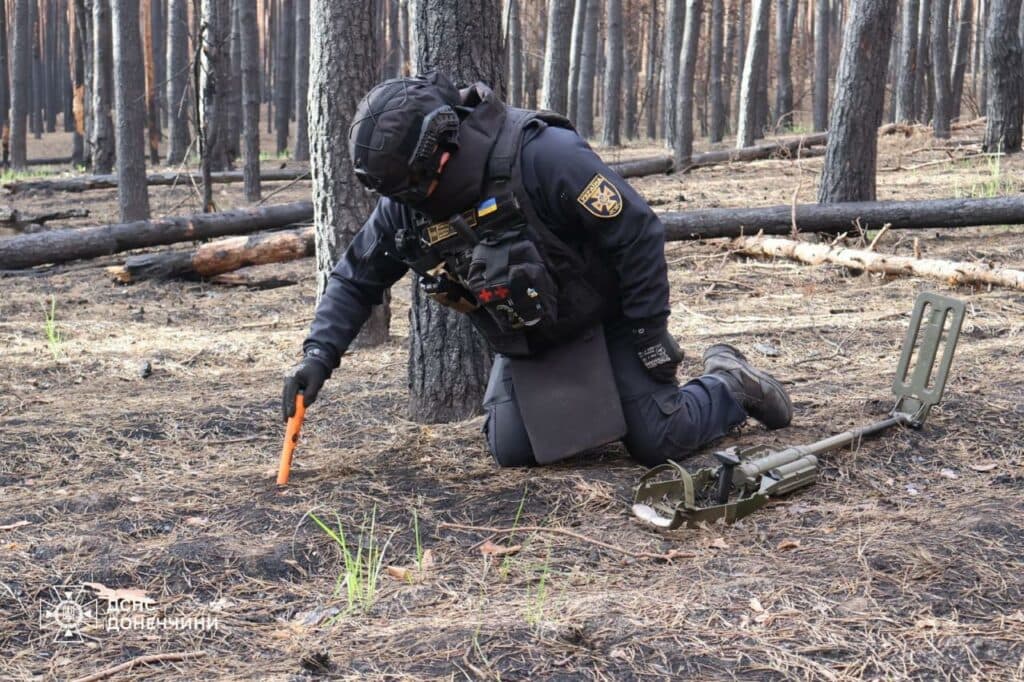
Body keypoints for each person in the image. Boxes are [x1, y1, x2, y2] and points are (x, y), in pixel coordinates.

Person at [282, 72, 792, 467]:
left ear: (439, 153)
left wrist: (647, 332)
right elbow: (356, 277)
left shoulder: (543, 156)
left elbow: (637, 231)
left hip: (610, 316)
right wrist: (317, 356)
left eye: (411, 187)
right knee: (512, 448)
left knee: (658, 439)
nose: (404, 202)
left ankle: (728, 380)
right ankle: (610, 398)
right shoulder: (406, 204)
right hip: (532, 332)